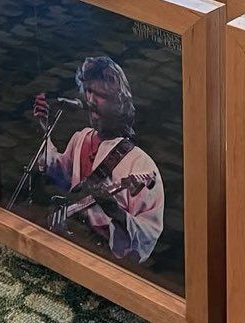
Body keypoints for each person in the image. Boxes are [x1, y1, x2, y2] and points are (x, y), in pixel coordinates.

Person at [32, 55, 164, 263]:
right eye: (89, 91)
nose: (91, 101)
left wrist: (115, 212)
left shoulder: (141, 164)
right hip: (67, 238)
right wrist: (43, 128)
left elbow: (148, 234)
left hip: (103, 257)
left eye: (99, 94)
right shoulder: (80, 138)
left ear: (117, 100)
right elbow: (58, 173)